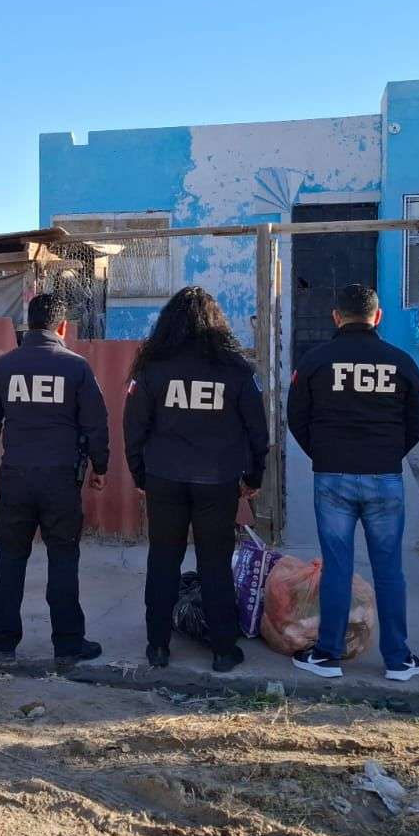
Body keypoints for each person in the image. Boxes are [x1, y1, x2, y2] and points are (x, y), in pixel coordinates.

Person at [285, 284, 419, 681]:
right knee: (389, 569)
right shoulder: (400, 362)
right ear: (377, 317)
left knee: (337, 568)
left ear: (336, 317)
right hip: (385, 478)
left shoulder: (316, 360)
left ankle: (327, 656)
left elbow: (297, 417)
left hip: (333, 477)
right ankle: (398, 660)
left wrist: (324, 454)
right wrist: (388, 453)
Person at [124, 286, 269, 673]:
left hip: (164, 477)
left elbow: (134, 426)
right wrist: (254, 475)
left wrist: (140, 474)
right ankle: (223, 650)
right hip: (217, 481)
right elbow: (257, 430)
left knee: (163, 560)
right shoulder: (236, 369)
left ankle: (158, 647)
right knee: (215, 563)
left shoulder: (152, 367)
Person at [0, 294, 109, 667]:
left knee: (11, 558)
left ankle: (3, 642)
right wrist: (100, 467)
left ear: (28, 324)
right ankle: (68, 644)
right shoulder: (76, 367)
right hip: (60, 479)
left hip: (16, 477)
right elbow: (95, 424)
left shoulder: (2, 367)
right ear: (62, 326)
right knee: (63, 558)